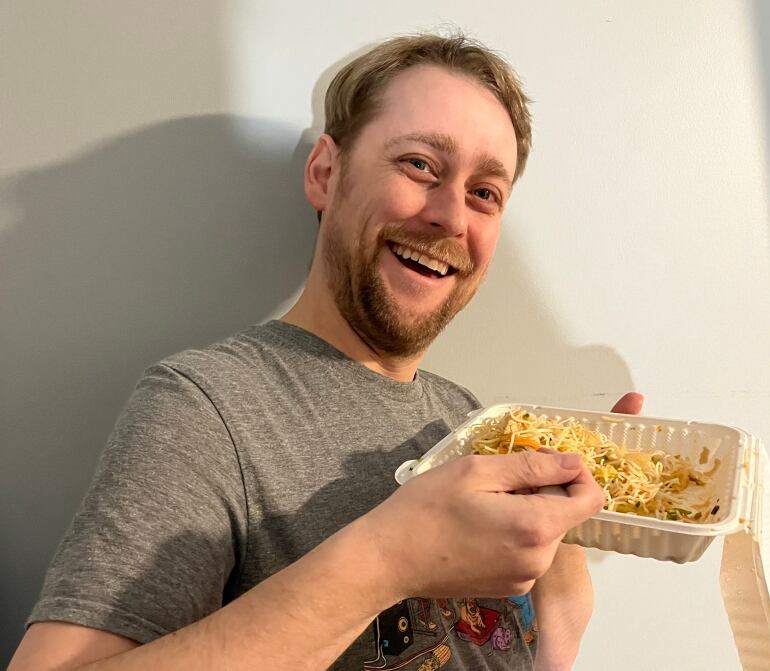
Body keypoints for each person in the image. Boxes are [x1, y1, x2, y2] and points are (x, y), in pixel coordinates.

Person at [9, 33, 643, 671]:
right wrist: (389, 558)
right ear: (325, 173)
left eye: (485, 193)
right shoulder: (207, 409)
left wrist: (561, 606)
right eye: (421, 164)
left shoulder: (471, 418)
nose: (453, 216)